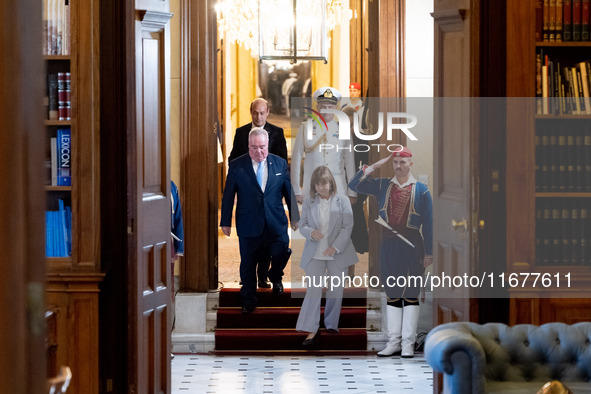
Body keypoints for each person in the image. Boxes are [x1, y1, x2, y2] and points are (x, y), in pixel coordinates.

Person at [348, 147, 433, 358]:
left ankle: (407, 344)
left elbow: (430, 225)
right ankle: (394, 341)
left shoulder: (422, 190)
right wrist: (374, 167)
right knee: (393, 293)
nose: (398, 166)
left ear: (410, 164)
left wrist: (429, 253)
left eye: (403, 162)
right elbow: (353, 184)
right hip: (388, 245)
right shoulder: (383, 184)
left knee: (411, 294)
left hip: (413, 244)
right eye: (395, 162)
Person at [220, 128, 295, 313]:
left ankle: (275, 276)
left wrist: (295, 217)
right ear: (248, 146)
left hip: (275, 220)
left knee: (282, 250)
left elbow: (289, 193)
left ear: (267, 145)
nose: (259, 152)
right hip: (248, 222)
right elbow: (228, 195)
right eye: (254, 148)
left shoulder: (280, 164)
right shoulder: (237, 165)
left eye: (262, 147)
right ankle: (248, 300)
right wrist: (225, 221)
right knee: (248, 263)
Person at [228, 98, 290, 289]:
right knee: (250, 238)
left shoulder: (277, 133)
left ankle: (263, 276)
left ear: (268, 112)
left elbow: (283, 163)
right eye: (255, 112)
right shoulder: (240, 133)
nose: (259, 116)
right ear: (251, 112)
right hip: (248, 193)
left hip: (270, 193)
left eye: (262, 112)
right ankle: (249, 278)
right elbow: (232, 160)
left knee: (269, 240)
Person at [295, 166, 358, 346]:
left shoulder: (343, 200)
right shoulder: (309, 201)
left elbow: (348, 227)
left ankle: (331, 324)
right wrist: (310, 232)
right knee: (313, 291)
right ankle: (311, 331)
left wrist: (335, 247)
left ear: (331, 183)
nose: (321, 188)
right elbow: (303, 224)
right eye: (317, 184)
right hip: (315, 253)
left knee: (335, 291)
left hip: (338, 253)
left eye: (324, 183)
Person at [291, 87, 358, 206]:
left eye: (330, 107)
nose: (326, 111)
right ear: (317, 108)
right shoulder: (305, 128)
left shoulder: (343, 130)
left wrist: (352, 192)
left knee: (337, 223)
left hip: (338, 188)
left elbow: (350, 163)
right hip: (312, 188)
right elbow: (296, 161)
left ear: (336, 108)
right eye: (323, 107)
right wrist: (296, 190)